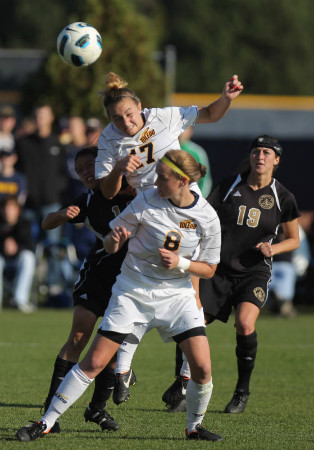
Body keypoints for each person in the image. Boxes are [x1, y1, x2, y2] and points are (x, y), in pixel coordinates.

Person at [16, 149, 223, 442]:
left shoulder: (207, 217)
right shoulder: (146, 200)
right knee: (94, 361)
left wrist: (182, 264)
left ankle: (194, 427)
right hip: (133, 290)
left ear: (182, 181)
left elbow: (210, 268)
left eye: (162, 178)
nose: (156, 182)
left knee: (202, 368)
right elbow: (114, 243)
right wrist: (115, 240)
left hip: (177, 296)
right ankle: (46, 422)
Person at [162, 135, 300, 414]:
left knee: (245, 325)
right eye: (256, 151)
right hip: (218, 269)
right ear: (250, 156)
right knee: (192, 322)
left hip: (254, 271)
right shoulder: (229, 185)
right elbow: (203, 216)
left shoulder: (283, 196)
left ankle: (241, 392)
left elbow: (294, 239)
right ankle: (182, 384)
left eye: (266, 153)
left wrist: (273, 249)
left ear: (277, 160)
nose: (260, 157)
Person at [37, 147, 136, 433]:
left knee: (111, 346)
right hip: (98, 274)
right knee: (79, 336)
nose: (86, 173)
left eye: (90, 166)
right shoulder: (88, 199)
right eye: (80, 170)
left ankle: (97, 409)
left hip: (131, 280)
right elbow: (47, 223)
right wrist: (61, 214)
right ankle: (50, 410)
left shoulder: (137, 190)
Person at [95, 71, 243, 199]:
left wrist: (226, 98)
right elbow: (108, 193)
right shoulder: (107, 138)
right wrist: (118, 169)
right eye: (117, 118)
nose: (126, 123)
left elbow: (211, 115)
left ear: (139, 106)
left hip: (185, 196)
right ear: (109, 118)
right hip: (150, 208)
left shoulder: (163, 117)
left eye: (129, 114)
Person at [15, 104, 69, 295]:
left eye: (44, 115)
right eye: (37, 115)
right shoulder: (23, 143)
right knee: (27, 246)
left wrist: (57, 191)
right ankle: (27, 287)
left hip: (52, 203)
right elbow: (18, 171)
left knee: (53, 247)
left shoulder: (58, 144)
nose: (40, 119)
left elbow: (64, 174)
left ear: (51, 118)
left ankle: (52, 285)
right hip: (29, 204)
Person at [0, 195, 36, 312]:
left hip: (17, 261)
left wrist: (16, 248)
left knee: (28, 258)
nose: (8, 211)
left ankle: (20, 300)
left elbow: (30, 246)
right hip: (2, 260)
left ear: (17, 210)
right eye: (5, 208)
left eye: (11, 208)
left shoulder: (24, 224)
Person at [179, 126, 212, 197]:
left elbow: (205, 181)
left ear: (191, 131)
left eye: (185, 128)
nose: (181, 132)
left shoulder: (197, 153)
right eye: (179, 128)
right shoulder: (164, 150)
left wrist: (201, 200)